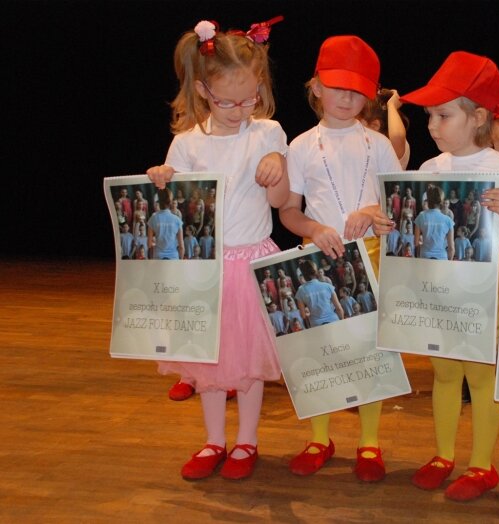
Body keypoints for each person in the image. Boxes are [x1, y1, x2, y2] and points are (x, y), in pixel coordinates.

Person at [146, 18, 288, 481]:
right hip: (205, 269)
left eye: (249, 98)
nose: (239, 109)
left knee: (247, 363)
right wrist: (162, 180)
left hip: (251, 261)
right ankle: (213, 441)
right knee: (208, 360)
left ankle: (247, 442)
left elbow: (280, 201)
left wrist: (276, 165)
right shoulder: (187, 143)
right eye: (228, 100)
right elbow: (175, 207)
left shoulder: (268, 134)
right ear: (205, 90)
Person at [375, 50, 499, 502]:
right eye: (429, 117)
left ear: (477, 117)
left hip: (482, 294)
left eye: (443, 115)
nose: (433, 126)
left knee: (480, 377)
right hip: (437, 292)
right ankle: (443, 454)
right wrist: (389, 224)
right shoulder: (429, 170)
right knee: (443, 372)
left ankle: (482, 465)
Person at [278, 35, 401, 483]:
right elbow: (289, 210)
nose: (347, 98)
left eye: (357, 90)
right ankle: (319, 436)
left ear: (369, 94)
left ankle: (369, 441)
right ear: (316, 87)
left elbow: (396, 207)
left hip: (372, 258)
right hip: (319, 258)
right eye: (337, 87)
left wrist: (372, 213)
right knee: (321, 353)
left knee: (371, 353)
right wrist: (314, 228)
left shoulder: (379, 145)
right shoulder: (301, 145)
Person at [415, 185, 455, 260]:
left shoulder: (421, 216)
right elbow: (451, 248)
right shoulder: (448, 220)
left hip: (424, 257)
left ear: (428, 200)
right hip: (442, 258)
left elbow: (416, 243)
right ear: (441, 201)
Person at [148, 188, 184, 260]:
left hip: (158, 257)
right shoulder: (177, 220)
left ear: (159, 202)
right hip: (173, 257)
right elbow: (181, 247)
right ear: (170, 202)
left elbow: (149, 244)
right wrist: (181, 260)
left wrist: (152, 258)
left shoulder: (153, 219)